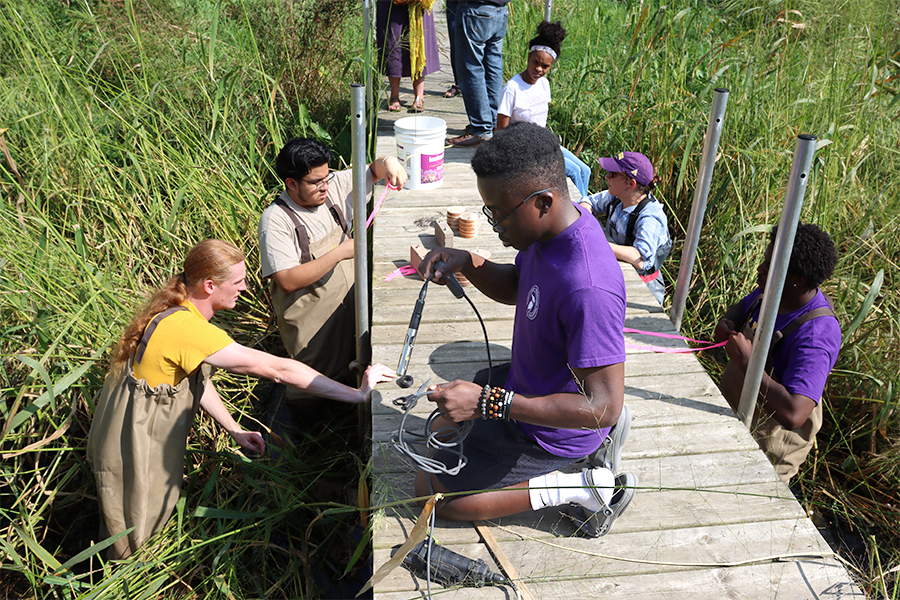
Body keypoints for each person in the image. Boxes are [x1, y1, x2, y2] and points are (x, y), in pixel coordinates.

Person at [87, 240, 395, 559]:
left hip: (118, 435)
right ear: (210, 286)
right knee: (134, 535)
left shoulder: (176, 313)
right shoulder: (189, 330)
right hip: (135, 448)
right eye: (237, 282)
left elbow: (193, 381)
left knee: (121, 518)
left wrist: (233, 428)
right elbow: (278, 369)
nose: (245, 288)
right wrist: (358, 394)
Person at [415, 122, 637, 536]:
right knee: (435, 437)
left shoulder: (588, 287)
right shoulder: (547, 234)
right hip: (523, 389)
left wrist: (490, 403)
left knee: (429, 493)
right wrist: (467, 261)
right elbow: (520, 286)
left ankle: (578, 485)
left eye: (499, 213)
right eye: (489, 211)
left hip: (553, 430)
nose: (495, 224)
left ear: (542, 202)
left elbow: (604, 406)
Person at [258, 138, 406, 408]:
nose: (325, 186)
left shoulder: (332, 185)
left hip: (348, 317)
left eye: (326, 177)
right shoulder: (275, 220)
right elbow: (287, 280)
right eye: (316, 182)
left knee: (350, 376)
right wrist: (340, 252)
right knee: (314, 395)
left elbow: (373, 171)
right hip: (314, 335)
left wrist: (388, 162)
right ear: (291, 183)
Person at [714, 223, 840, 483]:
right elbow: (742, 307)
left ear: (799, 278)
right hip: (731, 424)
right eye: (765, 260)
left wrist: (748, 363)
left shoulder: (817, 333)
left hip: (762, 457)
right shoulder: (773, 293)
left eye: (770, 265)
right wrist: (728, 322)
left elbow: (795, 412)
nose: (760, 269)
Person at [495, 21, 593, 199]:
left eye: (545, 66)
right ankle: (581, 215)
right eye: (535, 62)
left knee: (585, 170)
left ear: (551, 65)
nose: (539, 69)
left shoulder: (544, 84)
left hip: (543, 142)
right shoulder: (512, 88)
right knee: (574, 173)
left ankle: (583, 208)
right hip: (525, 149)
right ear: (528, 57)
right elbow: (500, 131)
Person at [580, 151, 671, 305]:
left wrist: (599, 245)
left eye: (613, 174)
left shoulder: (650, 218)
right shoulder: (616, 197)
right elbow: (587, 202)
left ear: (630, 184)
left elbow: (639, 258)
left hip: (642, 289)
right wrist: (586, 220)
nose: (607, 177)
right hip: (614, 274)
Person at [447, 0, 511, 147]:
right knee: (493, 67)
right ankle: (494, 124)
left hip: (476, 9)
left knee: (471, 68)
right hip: (500, 9)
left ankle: (481, 130)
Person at [376, 0, 440, 112]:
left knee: (420, 43)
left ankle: (419, 97)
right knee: (392, 40)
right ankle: (394, 95)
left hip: (419, 4)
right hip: (391, 3)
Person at [443, 0, 461, 98]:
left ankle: (480, 86)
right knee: (455, 44)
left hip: (477, 4)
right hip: (453, 3)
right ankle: (458, 84)